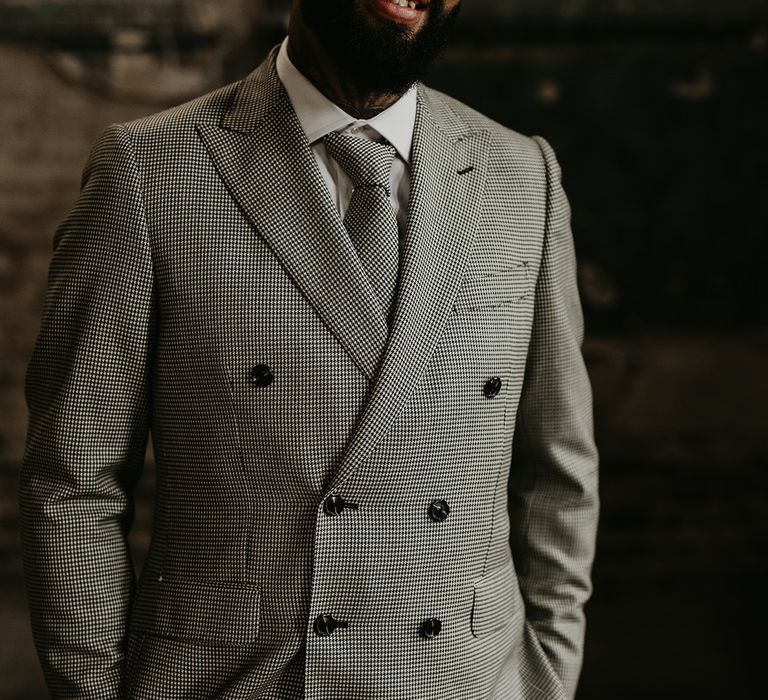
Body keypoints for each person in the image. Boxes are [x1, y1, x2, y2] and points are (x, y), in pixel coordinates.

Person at [19, 0, 599, 698]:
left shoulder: (522, 174)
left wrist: (548, 678)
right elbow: (73, 478)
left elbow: (558, 469)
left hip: (472, 680)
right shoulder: (148, 170)